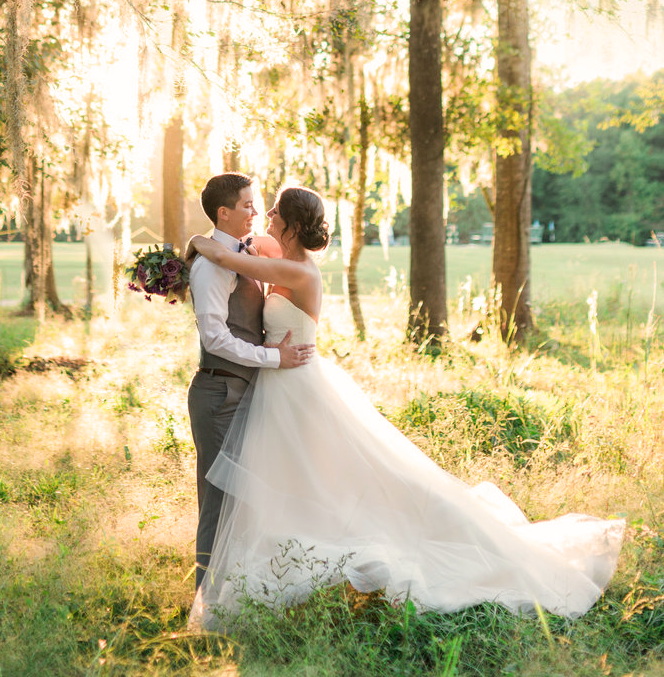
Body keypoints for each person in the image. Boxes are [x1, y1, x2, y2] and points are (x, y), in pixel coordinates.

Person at [187, 185, 625, 629]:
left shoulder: (300, 273)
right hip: (276, 388)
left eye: (274, 211)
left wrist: (196, 244)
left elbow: (226, 257)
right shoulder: (271, 250)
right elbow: (239, 249)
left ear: (294, 226)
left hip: (297, 384)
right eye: (261, 208)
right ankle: (270, 571)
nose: (265, 214)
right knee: (298, 482)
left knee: (356, 479)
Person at [187, 172, 314, 590]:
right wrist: (272, 357)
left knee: (248, 497)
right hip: (221, 390)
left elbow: (239, 256)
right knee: (219, 501)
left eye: (263, 207)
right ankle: (207, 599)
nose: (258, 213)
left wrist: (199, 240)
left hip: (255, 392)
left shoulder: (251, 252)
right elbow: (216, 339)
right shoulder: (210, 267)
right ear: (224, 213)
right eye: (248, 205)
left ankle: (245, 587)